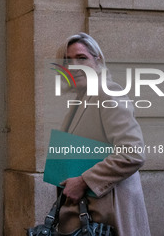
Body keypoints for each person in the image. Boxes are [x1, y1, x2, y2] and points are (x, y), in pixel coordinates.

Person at [56, 33, 151, 236]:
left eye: (82, 58)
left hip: (109, 212)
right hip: (87, 212)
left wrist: (84, 181)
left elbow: (132, 153)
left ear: (97, 61)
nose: (75, 65)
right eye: (67, 61)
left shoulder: (108, 92)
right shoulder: (80, 100)